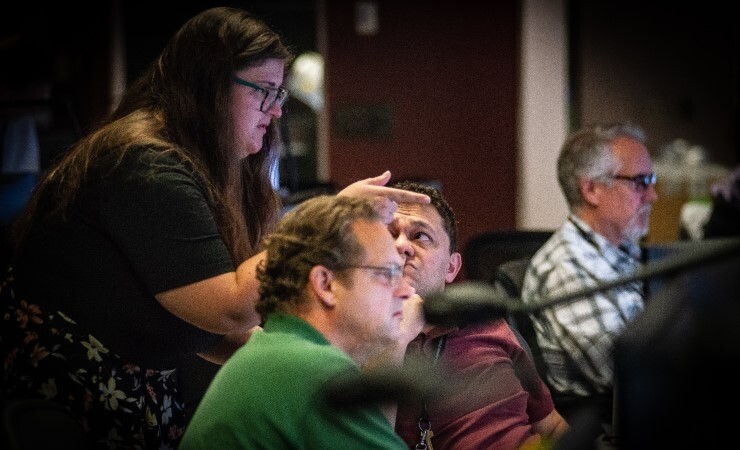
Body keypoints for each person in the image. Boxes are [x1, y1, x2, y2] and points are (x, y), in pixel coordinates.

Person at [0, 6, 428, 449]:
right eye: (263, 91)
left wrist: (304, 361)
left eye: (278, 94)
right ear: (209, 86)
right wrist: (330, 217)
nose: (276, 111)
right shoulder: (145, 164)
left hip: (133, 387)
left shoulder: (203, 161)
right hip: (72, 386)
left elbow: (216, 330)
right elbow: (227, 310)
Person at [180, 195, 423, 449]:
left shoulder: (278, 352)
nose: (405, 291)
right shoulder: (312, 370)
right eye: (389, 274)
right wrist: (398, 343)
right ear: (326, 284)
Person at [389, 181, 568, 450]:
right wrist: (399, 337)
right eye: (389, 235)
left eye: (420, 236)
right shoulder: (357, 337)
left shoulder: (488, 326)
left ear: (451, 267)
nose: (401, 245)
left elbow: (551, 425)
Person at [520, 122, 658, 423]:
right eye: (641, 182)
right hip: (614, 428)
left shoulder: (628, 251)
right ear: (592, 189)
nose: (653, 196)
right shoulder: (565, 269)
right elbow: (632, 375)